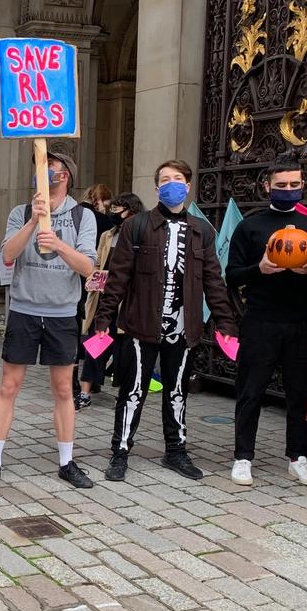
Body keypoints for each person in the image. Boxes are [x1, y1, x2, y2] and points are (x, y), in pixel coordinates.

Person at [93, 160, 238, 482]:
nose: (172, 184)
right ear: (157, 189)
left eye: (178, 179)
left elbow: (214, 280)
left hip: (183, 329)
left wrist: (226, 324)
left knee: (177, 391)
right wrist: (104, 318)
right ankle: (121, 451)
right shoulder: (137, 226)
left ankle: (176, 450)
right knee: (132, 391)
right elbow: (117, 278)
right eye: (164, 180)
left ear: (188, 186)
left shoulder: (202, 231)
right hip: (140, 325)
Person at [0, 148, 98, 491]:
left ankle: (66, 461)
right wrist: (32, 221)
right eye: (42, 169)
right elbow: (7, 255)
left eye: (52, 168)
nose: (45, 175)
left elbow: (88, 268)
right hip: (25, 310)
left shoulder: (82, 217)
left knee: (63, 388)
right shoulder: (20, 212)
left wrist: (58, 245)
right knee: (8, 386)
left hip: (61, 313)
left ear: (66, 174)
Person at [225, 159, 307, 488]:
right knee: (250, 391)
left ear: (302, 186)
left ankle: (298, 458)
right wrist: (260, 269)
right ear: (267, 186)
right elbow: (232, 275)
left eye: (294, 185)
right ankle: (243, 457)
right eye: (281, 185)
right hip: (261, 321)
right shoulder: (251, 226)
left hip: (301, 322)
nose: (288, 190)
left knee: (300, 394)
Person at [76, 192, 145, 409]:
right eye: (112, 208)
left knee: (124, 351)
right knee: (95, 344)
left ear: (131, 210)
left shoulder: (142, 234)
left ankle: (123, 395)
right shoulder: (108, 235)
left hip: (129, 303)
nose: (113, 212)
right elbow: (97, 263)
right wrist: (93, 279)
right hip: (104, 300)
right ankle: (85, 393)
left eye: (118, 208)